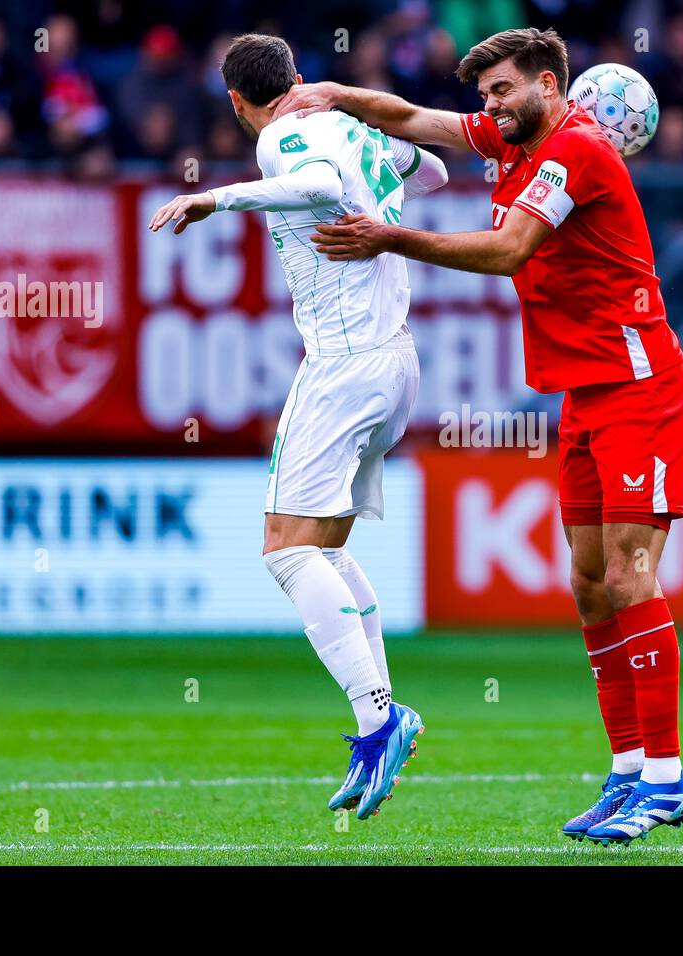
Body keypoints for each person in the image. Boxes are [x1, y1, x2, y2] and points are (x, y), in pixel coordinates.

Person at [278, 27, 683, 846]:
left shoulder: (574, 149)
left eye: (502, 90)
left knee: (628, 571)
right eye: (486, 94)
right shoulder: (513, 137)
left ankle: (667, 780)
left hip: (641, 386)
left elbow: (510, 251)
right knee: (586, 584)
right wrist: (333, 96)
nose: (488, 106)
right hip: (585, 391)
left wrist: (390, 236)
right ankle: (625, 770)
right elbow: (415, 119)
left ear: (548, 83)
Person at [148, 33, 449, 822]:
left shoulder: (284, 135)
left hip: (345, 362)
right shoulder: (346, 126)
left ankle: (380, 719)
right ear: (300, 78)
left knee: (284, 550)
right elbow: (437, 170)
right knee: (321, 548)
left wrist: (217, 197)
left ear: (237, 102)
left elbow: (312, 182)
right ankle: (378, 719)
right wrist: (361, 142)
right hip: (395, 362)